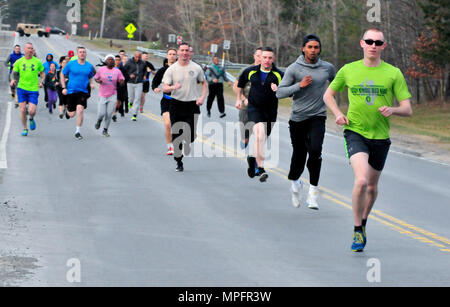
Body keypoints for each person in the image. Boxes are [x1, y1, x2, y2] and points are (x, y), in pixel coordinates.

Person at [323, 28, 412, 252]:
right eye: (369, 41)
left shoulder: (393, 73)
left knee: (372, 187)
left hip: (380, 137)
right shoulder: (349, 70)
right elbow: (328, 95)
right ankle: (356, 230)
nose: (373, 45)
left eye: (378, 42)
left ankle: (363, 223)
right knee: (361, 181)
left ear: (383, 46)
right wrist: (337, 114)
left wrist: (393, 110)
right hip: (356, 132)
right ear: (362, 43)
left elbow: (407, 109)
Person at [277, 34, 336, 210]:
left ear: (320, 49)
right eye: (309, 47)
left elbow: (337, 84)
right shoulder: (294, 69)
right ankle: (295, 184)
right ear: (303, 48)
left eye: (316, 47)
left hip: (318, 116)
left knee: (316, 151)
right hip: (298, 118)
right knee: (299, 154)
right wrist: (299, 86)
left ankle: (313, 194)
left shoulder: (327, 68)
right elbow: (280, 93)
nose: (313, 50)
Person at [236, 47, 284, 182]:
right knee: (260, 133)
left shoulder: (279, 74)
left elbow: (288, 92)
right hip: (254, 109)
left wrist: (279, 89)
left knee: (261, 139)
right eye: (265, 57)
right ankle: (261, 168)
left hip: (271, 112)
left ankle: (252, 159)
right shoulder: (250, 71)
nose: (267, 60)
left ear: (273, 59)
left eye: (270, 58)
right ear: (260, 58)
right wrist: (239, 99)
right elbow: (240, 85)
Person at [162, 43, 208, 172]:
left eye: (187, 50)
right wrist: (172, 88)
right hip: (176, 104)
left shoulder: (196, 68)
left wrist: (202, 98)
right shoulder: (171, 69)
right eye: (182, 50)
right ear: (178, 52)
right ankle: (179, 161)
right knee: (176, 136)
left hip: (192, 105)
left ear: (189, 53)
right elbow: (164, 87)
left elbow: (204, 84)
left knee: (191, 136)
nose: (184, 53)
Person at [10, 42, 45, 136]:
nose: (30, 50)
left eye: (32, 48)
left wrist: (41, 81)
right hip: (21, 88)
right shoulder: (19, 61)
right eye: (29, 48)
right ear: (24, 50)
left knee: (32, 111)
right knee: (22, 110)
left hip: (33, 89)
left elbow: (42, 72)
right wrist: (13, 79)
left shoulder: (37, 61)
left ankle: (31, 118)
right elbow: (14, 73)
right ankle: (25, 128)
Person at [61, 46, 95, 140]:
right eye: (80, 52)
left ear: (86, 54)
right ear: (77, 54)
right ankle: (67, 111)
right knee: (72, 114)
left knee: (80, 110)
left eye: (84, 52)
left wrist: (92, 83)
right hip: (71, 91)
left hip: (82, 91)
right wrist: (64, 87)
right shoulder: (71, 64)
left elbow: (91, 76)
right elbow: (62, 73)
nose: (82, 53)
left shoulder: (89, 65)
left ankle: (78, 132)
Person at [233, 47, 262, 149]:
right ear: (254, 56)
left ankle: (255, 159)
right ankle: (245, 140)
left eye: (262, 56)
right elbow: (236, 87)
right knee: (245, 135)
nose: (260, 58)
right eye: (258, 55)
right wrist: (242, 98)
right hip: (246, 107)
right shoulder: (246, 71)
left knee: (260, 135)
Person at [152, 49, 178, 156]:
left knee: (177, 125)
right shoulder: (163, 70)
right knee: (167, 124)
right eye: (170, 54)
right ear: (167, 56)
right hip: (167, 101)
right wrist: (155, 89)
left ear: (177, 56)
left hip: (179, 102)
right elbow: (154, 83)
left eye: (174, 54)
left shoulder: (181, 70)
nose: (172, 56)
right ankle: (170, 147)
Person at [94, 54, 125, 137]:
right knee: (101, 113)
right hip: (102, 95)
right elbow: (96, 78)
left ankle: (105, 130)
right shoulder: (101, 69)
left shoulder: (117, 71)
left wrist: (121, 82)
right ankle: (99, 121)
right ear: (106, 61)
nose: (110, 61)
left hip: (113, 95)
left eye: (112, 60)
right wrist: (98, 81)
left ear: (114, 61)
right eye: (109, 59)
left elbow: (122, 80)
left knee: (109, 114)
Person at [124, 51, 147, 121]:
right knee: (131, 98)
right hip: (130, 82)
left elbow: (145, 70)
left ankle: (134, 115)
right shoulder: (129, 62)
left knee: (137, 98)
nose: (137, 58)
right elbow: (124, 71)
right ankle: (130, 103)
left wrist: (145, 75)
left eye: (139, 57)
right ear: (134, 56)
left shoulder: (143, 63)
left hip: (139, 83)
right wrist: (129, 75)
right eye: (136, 57)